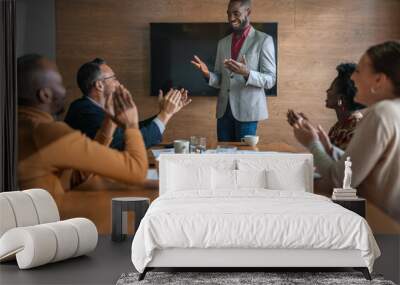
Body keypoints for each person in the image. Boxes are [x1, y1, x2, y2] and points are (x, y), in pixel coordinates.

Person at [289, 41, 400, 221]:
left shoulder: (381, 114)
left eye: (358, 71)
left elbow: (340, 181)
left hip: (378, 226)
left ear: (379, 80)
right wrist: (329, 149)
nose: (353, 78)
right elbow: (363, 165)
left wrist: (312, 143)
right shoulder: (393, 110)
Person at [17, 54, 149, 204]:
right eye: (60, 83)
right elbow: (136, 171)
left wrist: (109, 121)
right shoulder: (47, 133)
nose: (65, 89)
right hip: (56, 222)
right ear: (45, 95)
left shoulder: (22, 125)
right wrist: (131, 125)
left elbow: (74, 177)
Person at [191, 0, 276, 142]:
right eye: (228, 14)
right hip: (223, 112)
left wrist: (247, 73)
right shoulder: (223, 43)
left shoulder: (263, 40)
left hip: (248, 112)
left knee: (244, 159)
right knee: (223, 158)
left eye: (236, 13)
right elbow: (221, 80)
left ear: (248, 12)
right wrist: (208, 74)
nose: (230, 18)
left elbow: (270, 80)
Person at [65, 58, 191, 149]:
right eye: (114, 79)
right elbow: (127, 142)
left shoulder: (89, 107)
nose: (119, 84)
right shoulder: (85, 112)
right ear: (99, 85)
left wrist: (165, 113)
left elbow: (131, 130)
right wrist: (165, 114)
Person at [287, 63, 365, 155]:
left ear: (341, 99)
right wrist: (306, 126)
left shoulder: (356, 130)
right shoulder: (340, 125)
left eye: (331, 88)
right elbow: (328, 152)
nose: (327, 91)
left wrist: (311, 139)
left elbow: (338, 164)